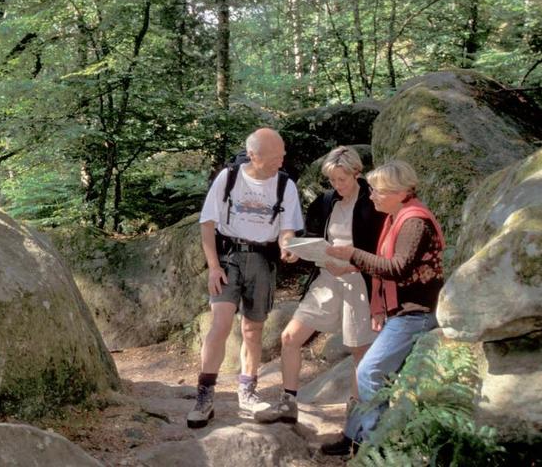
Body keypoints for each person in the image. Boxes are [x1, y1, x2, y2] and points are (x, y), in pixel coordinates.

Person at [319, 159, 445, 456]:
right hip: (401, 313)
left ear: (400, 192)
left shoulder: (414, 221)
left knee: (369, 373)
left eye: (377, 191)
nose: (371, 195)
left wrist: (352, 254)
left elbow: (397, 268)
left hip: (415, 314)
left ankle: (377, 449)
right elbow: (388, 269)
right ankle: (355, 437)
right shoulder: (397, 216)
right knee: (377, 376)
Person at [255, 146, 386, 424]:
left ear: (357, 173)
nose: (337, 186)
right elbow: (312, 236)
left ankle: (355, 418)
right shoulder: (325, 201)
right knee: (290, 337)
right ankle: (288, 403)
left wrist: (352, 266)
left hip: (360, 281)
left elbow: (383, 253)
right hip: (326, 278)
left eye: (343, 179)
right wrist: (296, 251)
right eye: (332, 180)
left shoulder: (373, 203)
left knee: (359, 351)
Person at [186, 128, 303, 428]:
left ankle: (247, 391)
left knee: (253, 329)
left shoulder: (285, 185)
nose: (282, 160)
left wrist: (288, 246)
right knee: (221, 323)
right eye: (276, 156)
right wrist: (214, 267)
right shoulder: (229, 178)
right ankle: (205, 394)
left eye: (283, 154)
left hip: (263, 259)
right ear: (254, 155)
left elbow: (287, 228)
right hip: (229, 258)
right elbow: (207, 224)